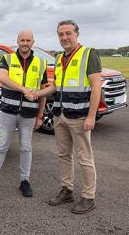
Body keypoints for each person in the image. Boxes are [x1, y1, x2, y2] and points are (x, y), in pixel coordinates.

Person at [31, 20, 102, 214]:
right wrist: (38, 94)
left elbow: (96, 86)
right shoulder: (60, 57)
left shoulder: (89, 54)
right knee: (64, 155)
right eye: (61, 34)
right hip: (60, 115)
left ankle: (88, 197)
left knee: (84, 157)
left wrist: (91, 116)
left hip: (79, 116)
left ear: (77, 34)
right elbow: (56, 86)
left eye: (68, 33)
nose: (64, 38)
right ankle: (67, 189)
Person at [0, 30, 47, 198]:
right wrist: (23, 89)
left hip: (29, 114)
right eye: (22, 40)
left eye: (28, 40)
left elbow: (43, 91)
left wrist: (40, 115)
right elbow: (2, 78)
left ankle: (25, 181)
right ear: (17, 41)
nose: (25, 43)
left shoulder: (41, 62)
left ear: (33, 42)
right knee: (1, 147)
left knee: (26, 147)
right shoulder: (7, 59)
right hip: (8, 111)